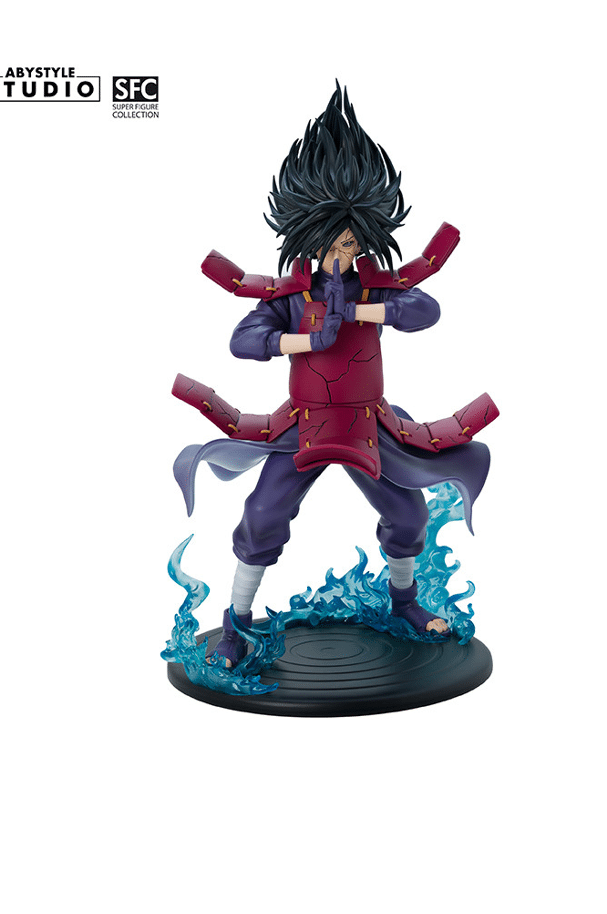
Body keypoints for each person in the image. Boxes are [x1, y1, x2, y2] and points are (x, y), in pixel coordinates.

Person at [173, 84, 497, 667]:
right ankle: (236, 624)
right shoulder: (289, 294)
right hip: (303, 425)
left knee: (408, 514)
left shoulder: (374, 287)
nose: (344, 249)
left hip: (368, 423)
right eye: (334, 238)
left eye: (352, 239)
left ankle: (404, 603)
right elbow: (242, 340)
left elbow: (425, 309)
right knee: (263, 516)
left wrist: (364, 313)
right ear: (308, 233)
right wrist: (303, 340)